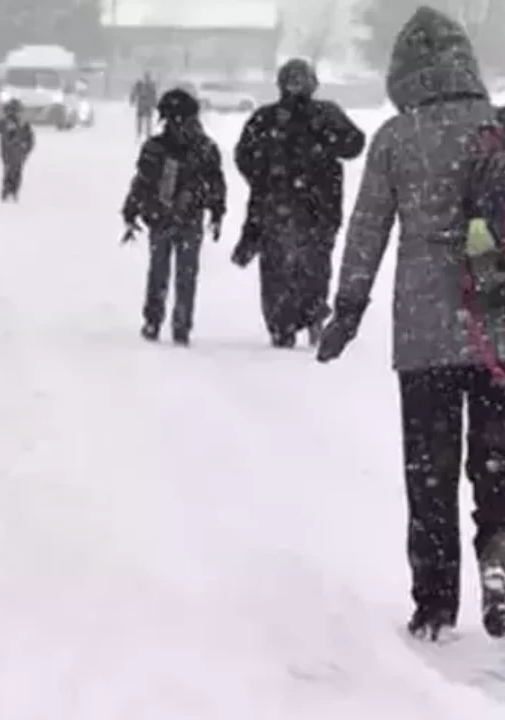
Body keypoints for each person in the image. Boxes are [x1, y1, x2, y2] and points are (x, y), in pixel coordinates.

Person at [316, 6, 505, 642]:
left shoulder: (397, 137)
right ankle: (501, 558)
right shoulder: (496, 126)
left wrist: (348, 307)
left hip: (424, 331)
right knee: (498, 463)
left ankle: (434, 605)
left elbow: (367, 227)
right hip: (496, 321)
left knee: (430, 470)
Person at [233, 58, 366, 348]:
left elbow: (354, 144)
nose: (296, 86)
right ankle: (298, 319)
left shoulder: (310, 115)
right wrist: (266, 177)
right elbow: (244, 156)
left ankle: (296, 320)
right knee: (297, 266)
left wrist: (266, 178)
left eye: (299, 80)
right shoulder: (273, 117)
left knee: (294, 267)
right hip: (302, 206)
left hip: (303, 207)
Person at [121, 88, 226, 346]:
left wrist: (216, 210)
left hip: (173, 217)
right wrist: (132, 209)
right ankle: (167, 321)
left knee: (171, 273)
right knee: (173, 273)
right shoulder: (197, 147)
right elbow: (143, 181)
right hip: (170, 218)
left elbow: (215, 183)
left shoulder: (180, 148)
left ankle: (168, 322)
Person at [0, 98, 35, 202]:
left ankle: (11, 191)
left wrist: (27, 148)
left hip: (17, 151)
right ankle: (9, 191)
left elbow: (30, 138)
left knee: (14, 171)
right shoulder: (7, 122)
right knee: (11, 171)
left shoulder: (22, 123)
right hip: (11, 151)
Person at [129, 71, 158, 141]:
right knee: (140, 121)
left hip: (147, 106)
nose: (147, 78)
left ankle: (148, 136)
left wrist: (155, 104)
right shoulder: (140, 85)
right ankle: (139, 135)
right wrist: (132, 99)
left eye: (148, 77)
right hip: (141, 106)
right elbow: (134, 92)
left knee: (148, 122)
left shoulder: (151, 85)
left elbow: (154, 95)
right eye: (146, 77)